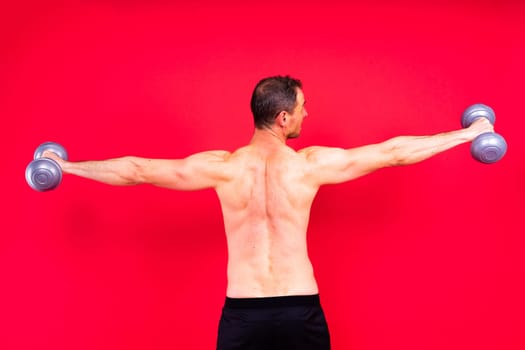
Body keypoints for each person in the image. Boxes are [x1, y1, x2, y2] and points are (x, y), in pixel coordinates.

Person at [43, 75, 494, 350]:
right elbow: (393, 152)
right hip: (300, 311)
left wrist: (62, 166)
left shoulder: (222, 168)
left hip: (243, 314)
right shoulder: (307, 165)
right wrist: (469, 133)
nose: (306, 114)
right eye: (301, 108)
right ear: (282, 118)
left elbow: (137, 170)